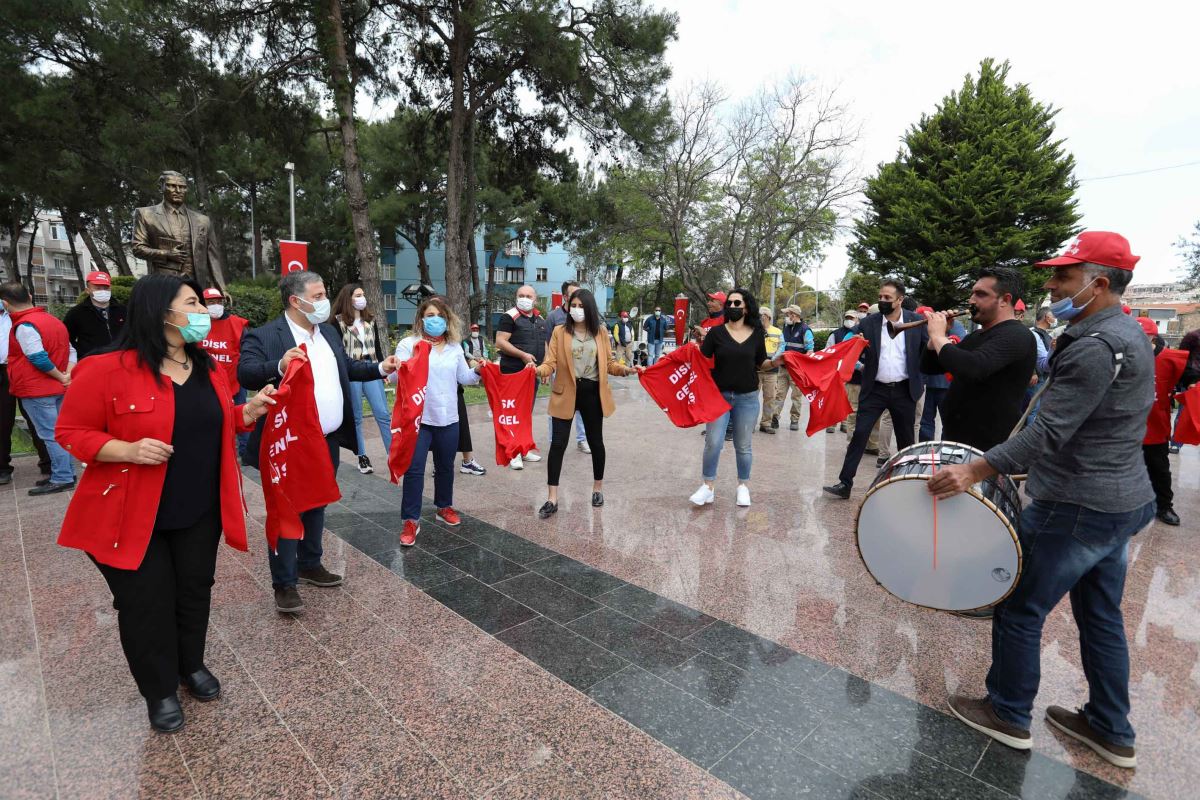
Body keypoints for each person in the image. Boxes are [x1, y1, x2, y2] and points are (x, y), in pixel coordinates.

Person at [929, 231, 1155, 770]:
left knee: (1018, 605)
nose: (1051, 285)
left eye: (1064, 276)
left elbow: (1045, 433)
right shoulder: (1125, 332)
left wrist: (973, 469)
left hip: (1078, 505)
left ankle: (1008, 714)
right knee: (1100, 616)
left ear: (1098, 284)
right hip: (1119, 502)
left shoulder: (1096, 346)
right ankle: (1109, 727)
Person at [55, 274, 277, 733]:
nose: (202, 312)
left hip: (198, 507)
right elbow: (71, 433)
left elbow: (211, 421)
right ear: (162, 311)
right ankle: (158, 690)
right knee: (145, 604)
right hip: (130, 513)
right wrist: (128, 449)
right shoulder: (104, 368)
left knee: (194, 590)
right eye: (193, 303)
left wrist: (245, 414)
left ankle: (190, 665)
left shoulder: (209, 368)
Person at [239, 271, 398, 614]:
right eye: (320, 293)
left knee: (316, 503)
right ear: (297, 301)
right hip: (287, 441)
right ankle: (284, 583)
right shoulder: (265, 335)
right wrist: (279, 365)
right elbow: (246, 372)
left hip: (324, 439)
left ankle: (310, 563)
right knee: (286, 509)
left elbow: (348, 369)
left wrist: (381, 368)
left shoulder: (327, 332)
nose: (326, 300)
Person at [536, 289, 639, 518]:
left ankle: (597, 489)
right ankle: (552, 498)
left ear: (590, 308)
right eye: (573, 304)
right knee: (558, 445)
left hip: (592, 393)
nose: (577, 309)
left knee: (596, 442)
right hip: (565, 393)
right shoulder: (559, 331)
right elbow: (549, 363)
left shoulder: (600, 332)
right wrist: (536, 370)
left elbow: (610, 363)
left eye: (582, 306)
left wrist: (626, 370)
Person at [824, 280, 927, 499]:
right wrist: (855, 344)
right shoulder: (869, 323)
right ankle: (845, 483)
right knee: (859, 434)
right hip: (875, 390)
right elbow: (849, 344)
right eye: (880, 297)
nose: (882, 301)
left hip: (904, 390)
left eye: (887, 298)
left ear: (900, 300)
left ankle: (907, 484)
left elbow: (928, 350)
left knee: (906, 440)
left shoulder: (916, 321)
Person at [920, 268, 1037, 452]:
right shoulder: (977, 335)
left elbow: (973, 368)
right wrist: (935, 338)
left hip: (988, 450)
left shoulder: (1016, 334)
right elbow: (930, 366)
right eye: (972, 293)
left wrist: (939, 337)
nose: (971, 300)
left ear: (1005, 300)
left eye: (981, 294)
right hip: (959, 442)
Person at [395, 297, 481, 545]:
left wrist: (477, 370)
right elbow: (395, 377)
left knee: (445, 467)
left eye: (439, 315)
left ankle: (444, 506)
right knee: (414, 469)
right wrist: (394, 368)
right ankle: (411, 520)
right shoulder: (408, 344)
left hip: (448, 417)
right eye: (429, 315)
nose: (435, 320)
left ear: (447, 319)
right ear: (421, 318)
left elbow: (464, 377)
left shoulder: (455, 347)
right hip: (419, 419)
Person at [690, 288, 771, 508]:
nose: (733, 307)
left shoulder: (756, 333)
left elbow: (760, 363)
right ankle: (708, 486)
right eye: (730, 303)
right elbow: (701, 359)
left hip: (747, 398)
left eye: (737, 303)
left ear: (746, 307)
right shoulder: (717, 333)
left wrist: (777, 362)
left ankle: (743, 486)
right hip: (719, 397)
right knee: (713, 442)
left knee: (743, 445)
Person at [0, 282, 78, 494]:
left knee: (50, 435)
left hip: (36, 389)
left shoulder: (25, 325)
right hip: (57, 387)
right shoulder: (53, 320)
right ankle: (65, 472)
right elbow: (71, 350)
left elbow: (37, 357)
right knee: (59, 432)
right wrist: (67, 375)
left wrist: (60, 375)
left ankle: (62, 476)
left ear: (5, 303)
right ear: (30, 296)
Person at [333, 284, 392, 475]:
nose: (362, 298)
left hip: (371, 368)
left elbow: (377, 346)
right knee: (357, 416)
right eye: (358, 295)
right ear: (348, 298)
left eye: (363, 294)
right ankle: (362, 457)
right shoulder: (338, 322)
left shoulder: (370, 320)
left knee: (383, 413)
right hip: (352, 371)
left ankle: (393, 454)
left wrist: (383, 370)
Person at [132, 170, 226, 290]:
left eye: (182, 187)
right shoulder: (146, 214)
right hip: (163, 285)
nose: (178, 191)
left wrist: (221, 288)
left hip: (196, 285)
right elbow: (138, 248)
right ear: (161, 187)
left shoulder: (203, 220)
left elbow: (212, 257)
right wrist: (166, 254)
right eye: (172, 186)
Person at [1137, 317, 1185, 526]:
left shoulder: (1169, 358)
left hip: (1156, 425)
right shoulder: (1123, 356)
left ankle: (1164, 506)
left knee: (1159, 468)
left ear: (1152, 336)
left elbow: (1190, 379)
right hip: (1125, 426)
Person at [496, 284, 548, 469]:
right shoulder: (509, 317)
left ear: (535, 299)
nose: (524, 298)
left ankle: (524, 449)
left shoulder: (540, 319)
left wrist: (545, 368)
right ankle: (513, 452)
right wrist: (522, 355)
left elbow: (544, 344)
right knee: (513, 413)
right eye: (521, 295)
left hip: (532, 374)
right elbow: (500, 341)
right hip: (513, 372)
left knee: (526, 413)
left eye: (528, 295)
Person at [199, 287, 250, 457]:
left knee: (243, 413)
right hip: (205, 380)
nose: (215, 305)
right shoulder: (197, 323)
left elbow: (247, 349)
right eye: (210, 302)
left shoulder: (237, 324)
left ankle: (246, 452)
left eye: (218, 301)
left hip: (234, 378)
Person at [544, 281, 590, 454]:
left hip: (582, 370)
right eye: (573, 295)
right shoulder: (553, 317)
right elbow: (548, 345)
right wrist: (547, 368)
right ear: (565, 297)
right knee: (557, 405)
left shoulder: (584, 315)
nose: (578, 298)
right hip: (560, 371)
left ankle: (582, 439)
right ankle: (554, 441)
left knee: (582, 406)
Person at [917, 307, 965, 441]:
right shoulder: (958, 327)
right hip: (931, 382)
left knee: (942, 421)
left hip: (943, 382)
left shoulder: (954, 326)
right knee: (930, 421)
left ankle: (934, 452)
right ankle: (930, 453)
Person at [64, 270, 126, 359]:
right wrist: (83, 354)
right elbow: (67, 340)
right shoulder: (76, 313)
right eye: (98, 288)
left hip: (120, 360)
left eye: (106, 288)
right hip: (91, 362)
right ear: (87, 290)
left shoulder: (123, 310)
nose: (103, 291)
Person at [772, 304, 815, 431]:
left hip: (796, 371)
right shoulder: (786, 327)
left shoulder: (805, 330)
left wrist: (803, 365)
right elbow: (782, 346)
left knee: (796, 396)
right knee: (779, 394)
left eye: (788, 314)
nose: (786, 316)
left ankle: (794, 420)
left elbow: (810, 350)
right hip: (784, 368)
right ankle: (775, 417)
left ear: (794, 315)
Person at [824, 310, 864, 434]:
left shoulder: (860, 333)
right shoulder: (835, 334)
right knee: (835, 399)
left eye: (852, 318)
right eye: (847, 317)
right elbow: (828, 350)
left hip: (853, 375)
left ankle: (844, 423)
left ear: (856, 319)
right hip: (837, 372)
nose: (849, 320)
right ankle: (831, 423)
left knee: (849, 401)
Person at [458, 324, 490, 476]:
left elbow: (464, 376)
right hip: (429, 398)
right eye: (473, 329)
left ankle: (467, 461)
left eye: (477, 329)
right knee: (433, 434)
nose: (475, 331)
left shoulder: (453, 346)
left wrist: (481, 365)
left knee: (462, 427)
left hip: (455, 393)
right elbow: (467, 354)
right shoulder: (465, 342)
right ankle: (438, 464)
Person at [1024, 306, 1056, 425]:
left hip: (1043, 377)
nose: (1055, 319)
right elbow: (1027, 355)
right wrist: (1033, 373)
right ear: (1047, 318)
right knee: (1034, 410)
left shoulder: (1045, 335)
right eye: (1053, 316)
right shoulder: (1034, 334)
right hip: (1037, 378)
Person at [757, 308, 785, 434]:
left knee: (770, 397)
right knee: (751, 398)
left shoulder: (777, 332)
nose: (760, 317)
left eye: (762, 315)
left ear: (767, 316)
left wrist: (772, 360)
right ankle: (749, 423)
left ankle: (766, 423)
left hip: (772, 370)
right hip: (755, 370)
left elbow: (782, 346)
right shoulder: (754, 330)